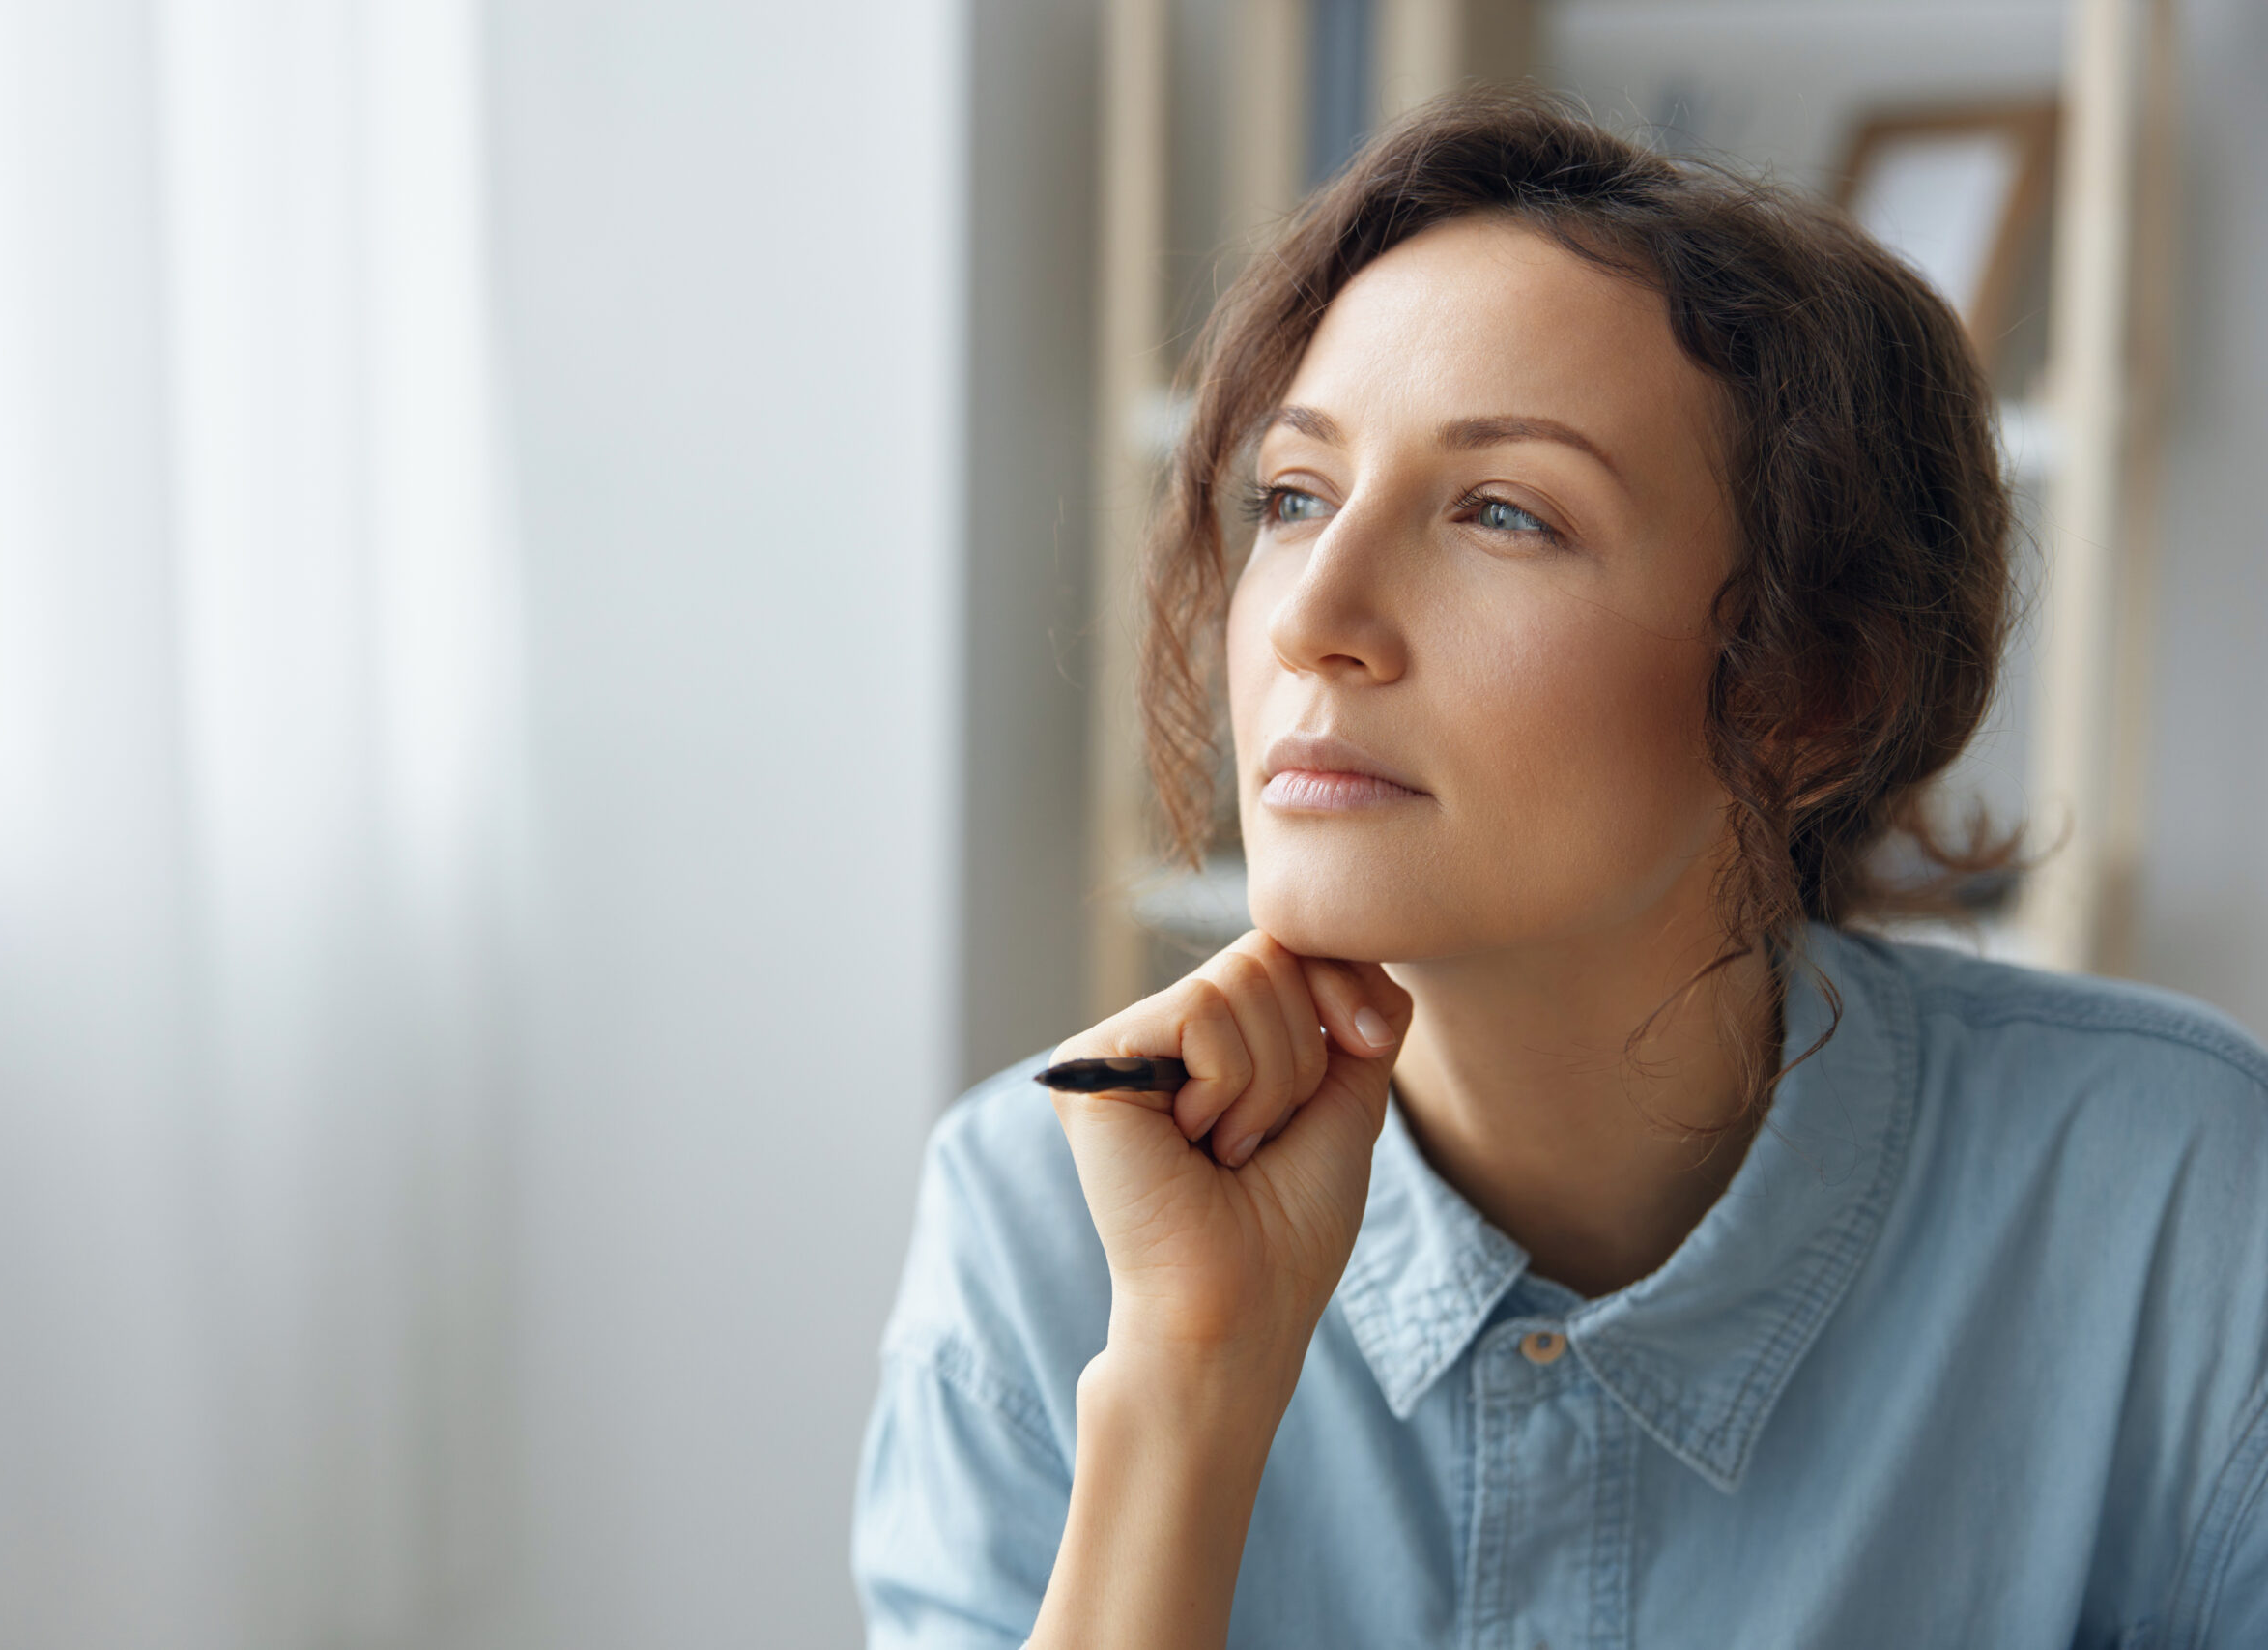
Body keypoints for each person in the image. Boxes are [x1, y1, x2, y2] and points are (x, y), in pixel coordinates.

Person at [851, 91, 2268, 1647]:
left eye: (1504, 513)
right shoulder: (1047, 1215)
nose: (1314, 611)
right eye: (1294, 495)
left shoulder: (2184, 1208)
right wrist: (1185, 1382)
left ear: (1816, 688)